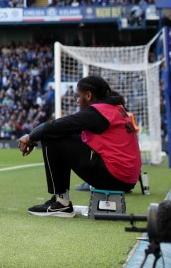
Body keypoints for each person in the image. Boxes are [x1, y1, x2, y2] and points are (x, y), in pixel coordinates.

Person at [18, 75, 141, 217]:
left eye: (79, 96)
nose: (77, 100)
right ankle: (60, 202)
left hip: (114, 176)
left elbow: (56, 126)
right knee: (59, 134)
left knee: (51, 136)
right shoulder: (117, 109)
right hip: (128, 178)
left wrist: (30, 137)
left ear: (88, 95)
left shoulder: (98, 113)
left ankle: (61, 204)